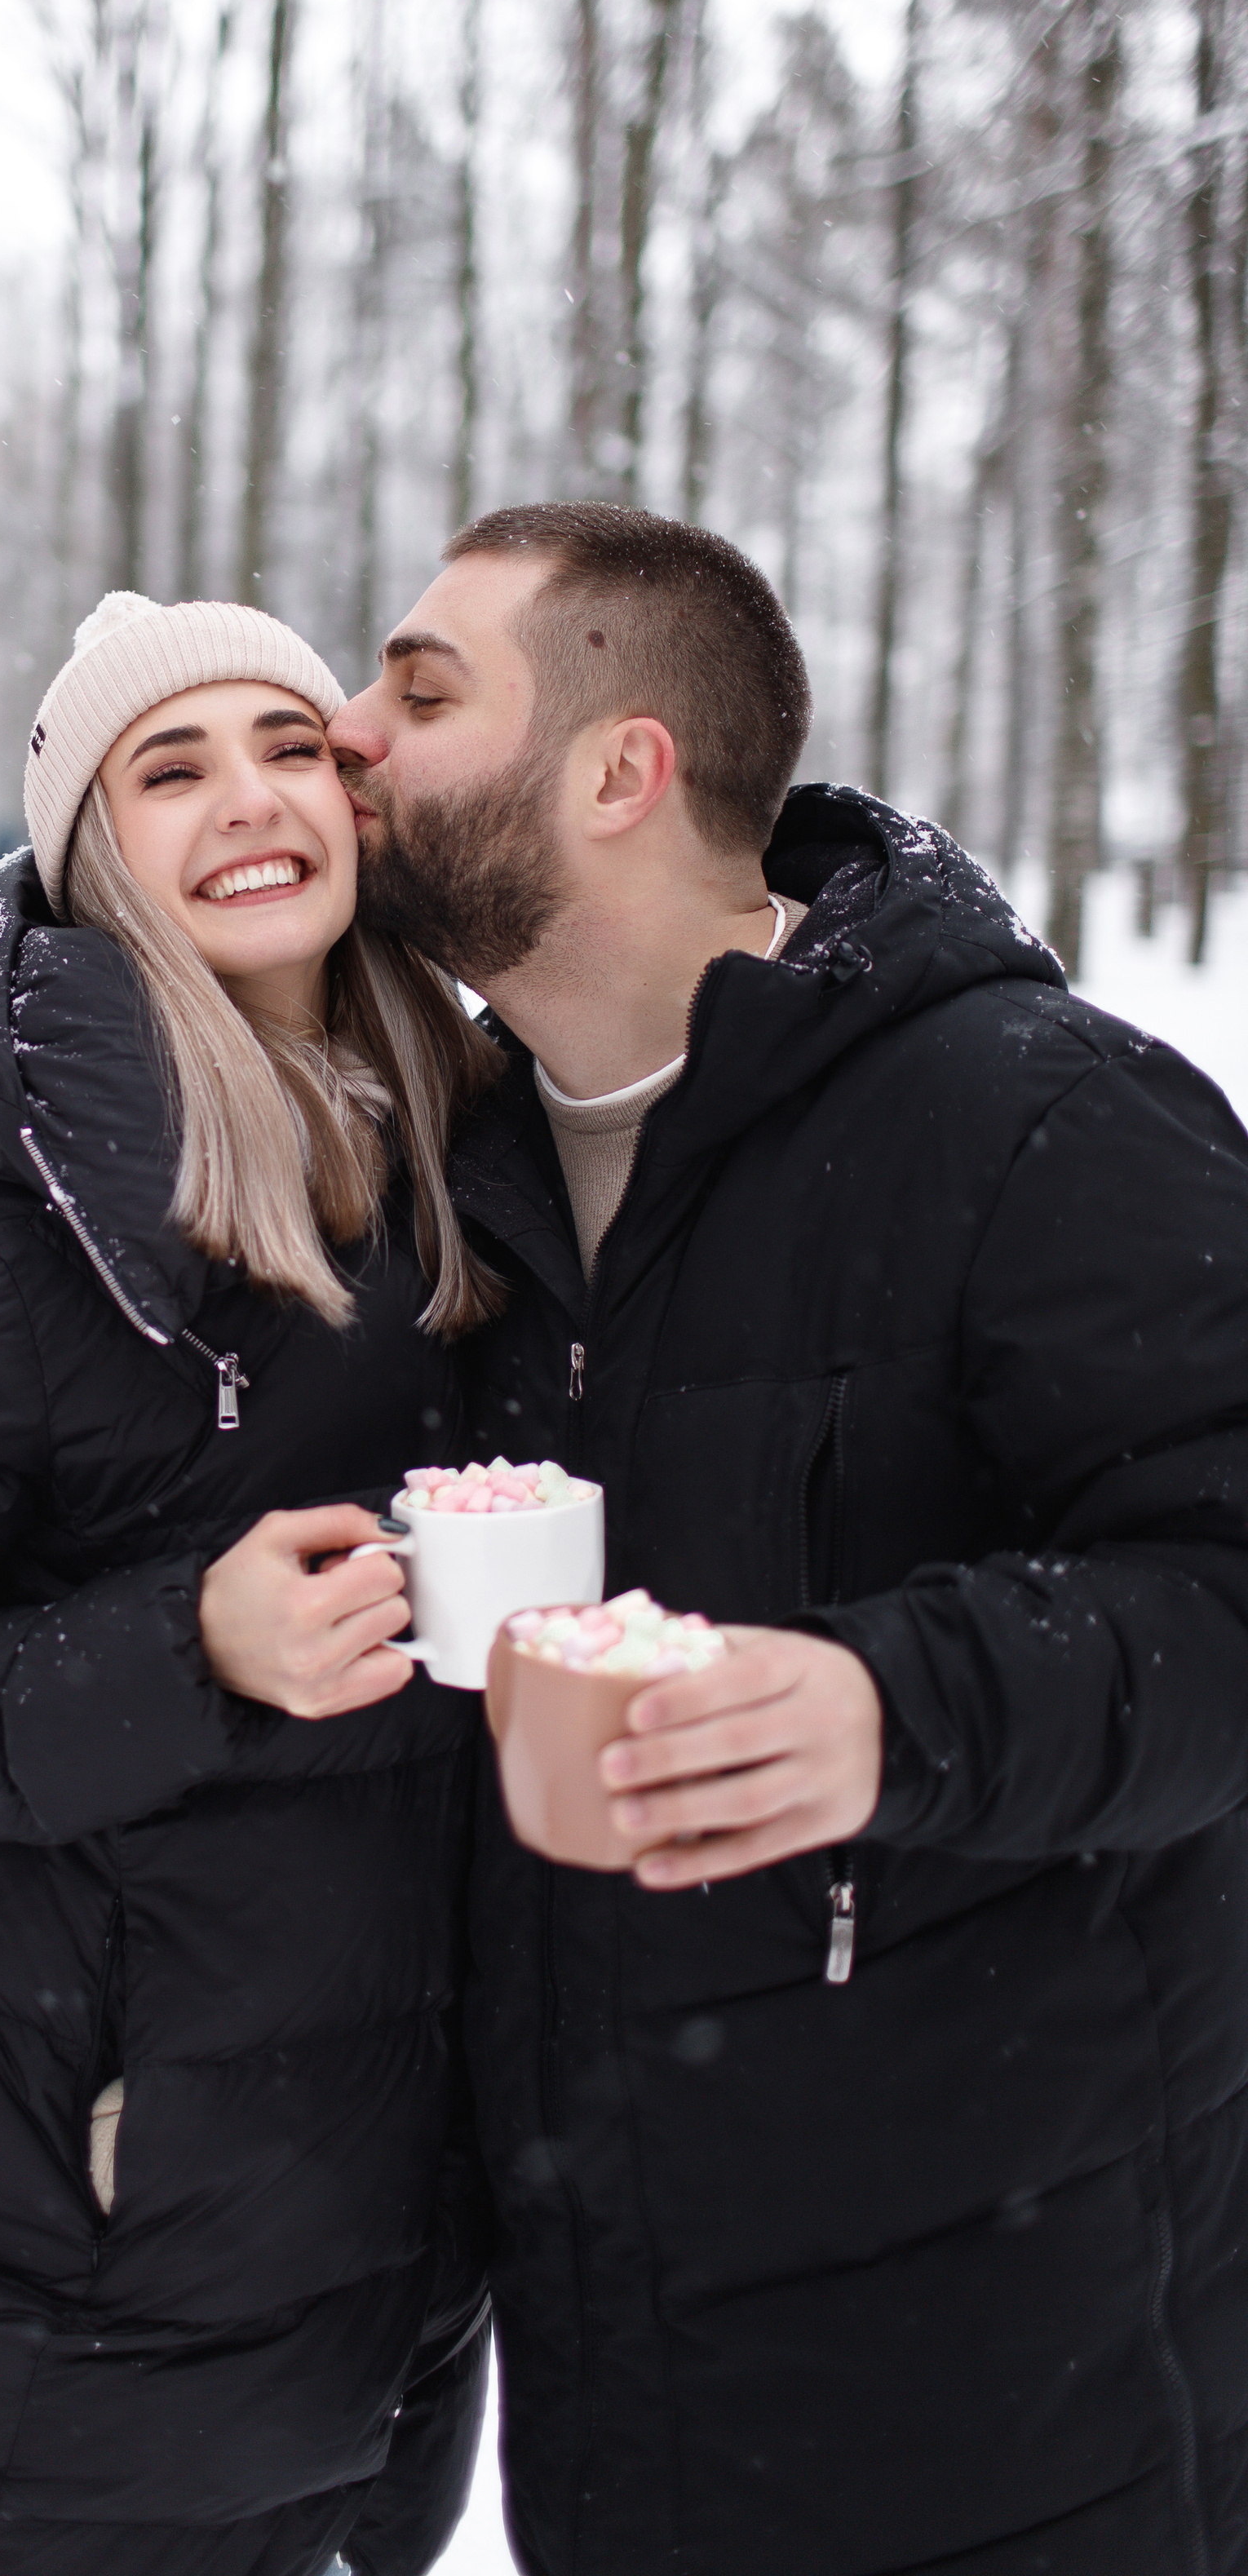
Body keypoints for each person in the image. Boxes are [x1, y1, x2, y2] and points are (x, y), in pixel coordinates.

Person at [329, 500, 1248, 2576]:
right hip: (609, 2391)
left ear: (618, 769)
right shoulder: (445, 1180)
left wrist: (887, 1708)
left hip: (1006, 2402)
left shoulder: (1031, 1118)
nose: (347, 730)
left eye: (418, 688)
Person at [0, 592, 504, 2576]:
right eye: (170, 769)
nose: (249, 799)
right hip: (47, 2294)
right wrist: (186, 1646)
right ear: (89, 857)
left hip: (382, 2242)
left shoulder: (470, 1165)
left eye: (288, 746)